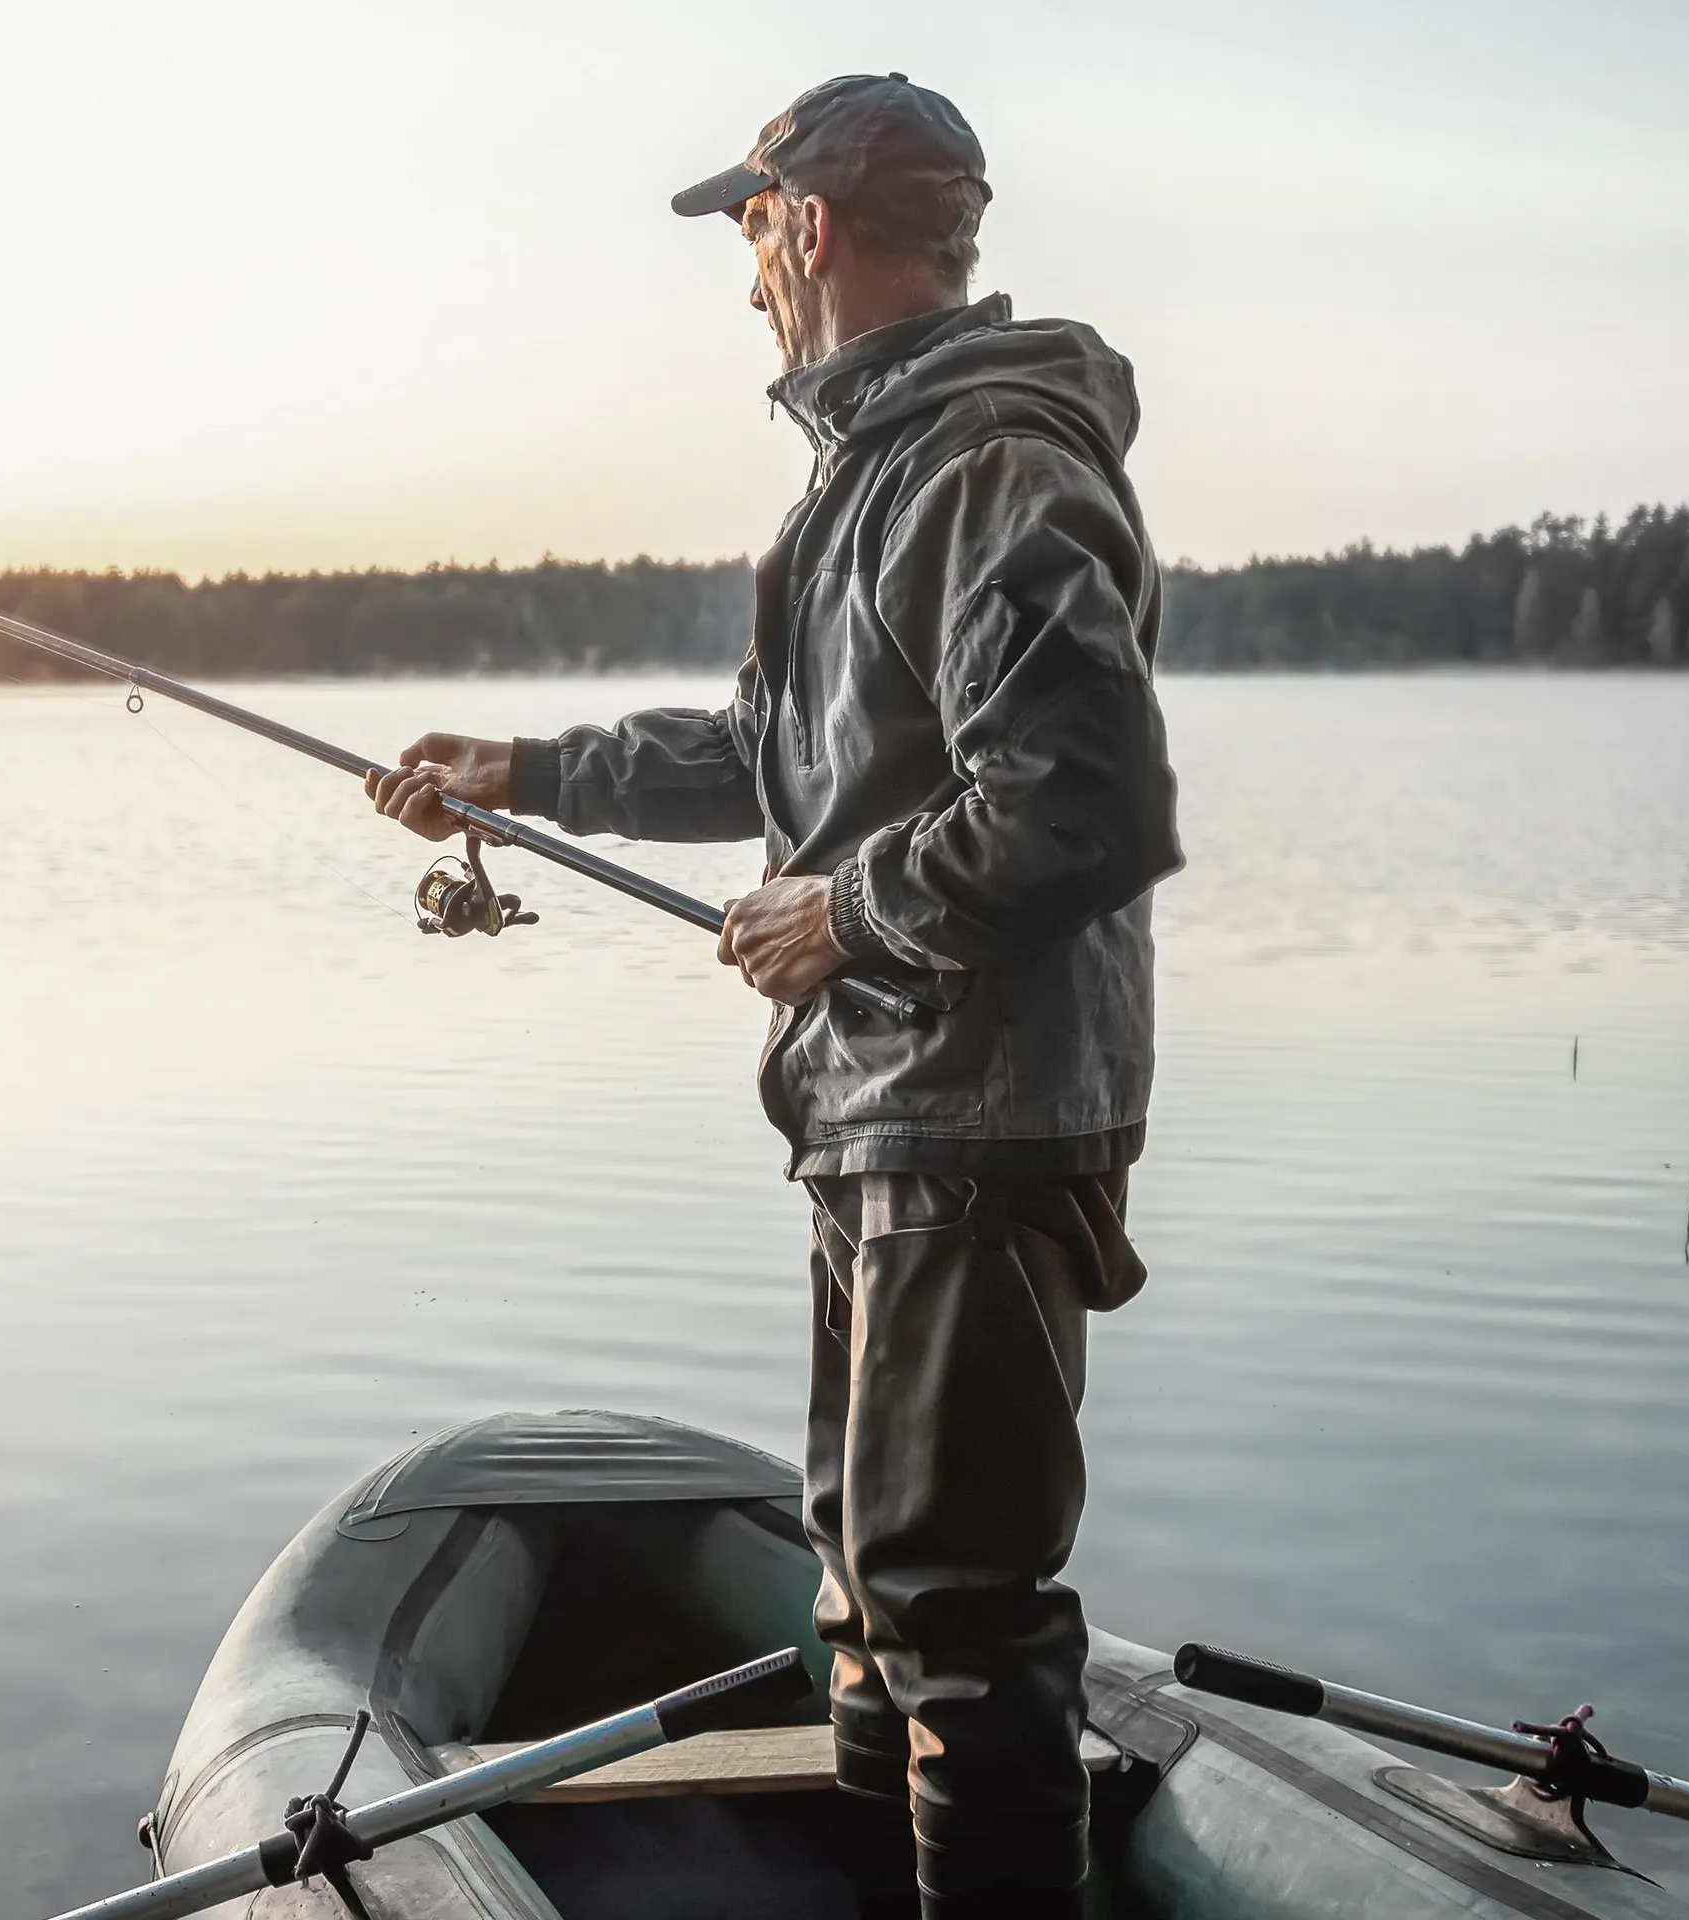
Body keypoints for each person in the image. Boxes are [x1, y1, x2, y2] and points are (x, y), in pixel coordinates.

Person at [365, 74, 1181, 1920]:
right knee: (868, 1584)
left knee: (952, 1606)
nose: (743, 277)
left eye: (748, 229)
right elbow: (773, 746)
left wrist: (845, 917)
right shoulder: (871, 470)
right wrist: (530, 772)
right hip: (882, 1099)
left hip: (973, 1112)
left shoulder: (988, 463)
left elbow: (1082, 809)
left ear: (805, 224)